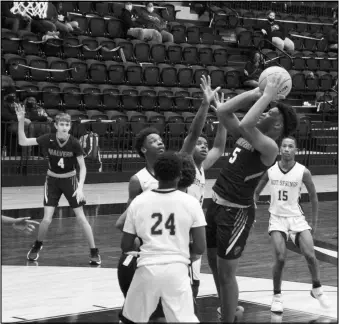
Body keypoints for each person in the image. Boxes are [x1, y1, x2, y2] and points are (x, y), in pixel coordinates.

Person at [205, 74, 299, 323]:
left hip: (235, 213)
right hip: (215, 203)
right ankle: (230, 309)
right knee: (214, 264)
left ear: (278, 126)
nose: (265, 112)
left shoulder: (270, 147)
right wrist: (258, 92)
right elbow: (224, 111)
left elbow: (245, 123)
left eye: (270, 112)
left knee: (226, 273)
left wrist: (268, 94)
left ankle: (228, 317)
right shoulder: (252, 134)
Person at [120, 152, 206, 323]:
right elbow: (200, 247)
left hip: (146, 270)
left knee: (130, 320)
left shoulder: (139, 202)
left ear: (156, 175)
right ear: (180, 175)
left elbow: (126, 245)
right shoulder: (191, 202)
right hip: (177, 271)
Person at [15, 106, 101, 265]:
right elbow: (23, 141)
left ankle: (94, 251)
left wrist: (80, 188)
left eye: (67, 125)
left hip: (70, 180)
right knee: (46, 219)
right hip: (52, 180)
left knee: (81, 218)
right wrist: (21, 121)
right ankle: (37, 245)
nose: (64, 127)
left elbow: (83, 167)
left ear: (70, 126)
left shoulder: (74, 143)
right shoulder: (48, 138)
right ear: (56, 125)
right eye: (61, 124)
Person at [253, 136, 330, 313]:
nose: (287, 149)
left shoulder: (303, 171)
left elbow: (313, 197)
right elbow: (256, 193)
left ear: (296, 150)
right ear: (280, 149)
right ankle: (277, 296)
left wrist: (314, 223)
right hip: (277, 218)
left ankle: (316, 288)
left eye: (290, 146)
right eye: (284, 146)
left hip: (297, 218)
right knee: (280, 257)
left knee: (311, 255)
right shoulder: (271, 171)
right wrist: (252, 211)